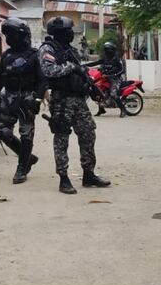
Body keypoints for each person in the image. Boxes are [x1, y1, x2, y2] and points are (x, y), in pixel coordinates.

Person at [39, 16, 110, 194]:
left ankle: (89, 173)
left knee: (88, 134)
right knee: (62, 138)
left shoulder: (71, 50)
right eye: (69, 30)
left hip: (78, 99)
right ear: (61, 32)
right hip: (61, 100)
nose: (72, 33)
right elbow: (49, 71)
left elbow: (80, 71)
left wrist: (86, 80)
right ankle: (63, 178)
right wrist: (72, 68)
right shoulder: (48, 49)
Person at [0, 17, 44, 184]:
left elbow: (43, 80)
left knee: (26, 135)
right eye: (7, 35)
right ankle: (27, 158)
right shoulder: (6, 55)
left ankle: (22, 168)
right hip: (9, 98)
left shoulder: (34, 55)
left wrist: (38, 99)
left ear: (22, 36)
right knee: (3, 132)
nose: (9, 38)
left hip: (27, 99)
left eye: (12, 35)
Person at [86, 41, 127, 118]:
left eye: (107, 50)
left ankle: (123, 110)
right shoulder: (105, 58)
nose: (106, 51)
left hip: (116, 79)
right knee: (97, 90)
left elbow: (122, 70)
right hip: (105, 78)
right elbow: (95, 63)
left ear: (111, 50)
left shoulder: (117, 59)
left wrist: (114, 75)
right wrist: (83, 65)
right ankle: (101, 109)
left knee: (113, 94)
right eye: (105, 50)